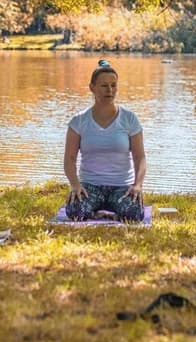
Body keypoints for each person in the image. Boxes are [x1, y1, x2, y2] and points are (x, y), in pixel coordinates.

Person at [62, 59, 147, 222]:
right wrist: (75, 185)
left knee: (134, 214)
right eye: (104, 85)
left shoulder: (129, 119)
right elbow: (69, 159)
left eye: (113, 85)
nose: (109, 90)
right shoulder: (79, 121)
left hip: (122, 187)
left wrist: (137, 185)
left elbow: (140, 157)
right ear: (92, 88)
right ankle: (102, 215)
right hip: (90, 187)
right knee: (75, 211)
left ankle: (108, 215)